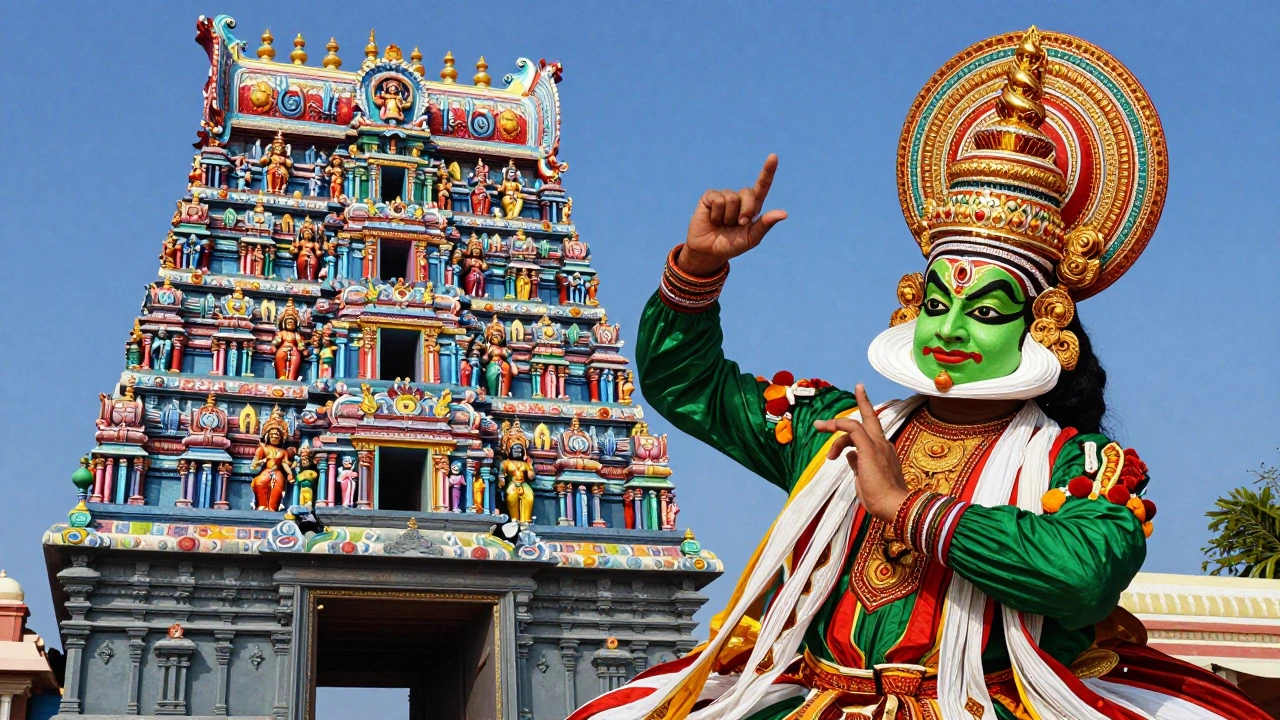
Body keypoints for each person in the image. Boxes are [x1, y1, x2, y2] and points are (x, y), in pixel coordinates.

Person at [571, 28, 1265, 720]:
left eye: (985, 310)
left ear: (1042, 321)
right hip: (816, 700)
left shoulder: (1078, 465)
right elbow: (689, 386)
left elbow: (1082, 578)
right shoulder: (837, 432)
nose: (950, 329)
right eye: (938, 303)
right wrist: (698, 269)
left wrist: (906, 507)